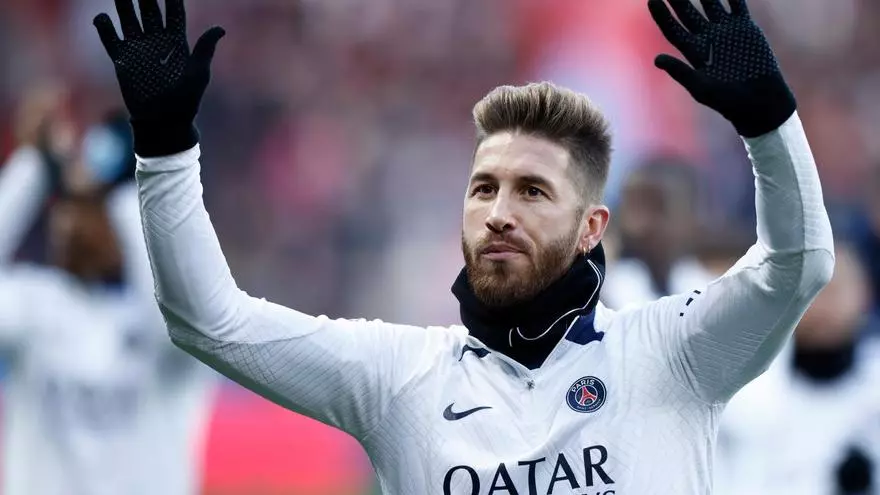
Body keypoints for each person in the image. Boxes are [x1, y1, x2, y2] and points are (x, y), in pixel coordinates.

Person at [92, 0, 834, 492]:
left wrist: (770, 125)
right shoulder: (398, 377)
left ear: (592, 228)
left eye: (533, 191)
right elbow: (208, 321)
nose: (500, 213)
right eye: (485, 189)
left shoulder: (669, 353)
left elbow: (797, 267)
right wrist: (165, 149)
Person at [0, 92, 216, 495]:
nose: (72, 223)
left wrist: (127, 191)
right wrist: (33, 170)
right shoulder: (35, 305)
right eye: (69, 206)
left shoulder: (171, 321)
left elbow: (177, 322)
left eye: (93, 208)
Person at [715, 243, 880, 495]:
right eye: (808, 293)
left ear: (864, 293)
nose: (820, 306)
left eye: (832, 291)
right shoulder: (751, 397)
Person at [601, 155, 715, 309]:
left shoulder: (705, 286)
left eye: (657, 209)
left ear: (689, 218)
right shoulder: (609, 287)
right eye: (633, 208)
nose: (638, 225)